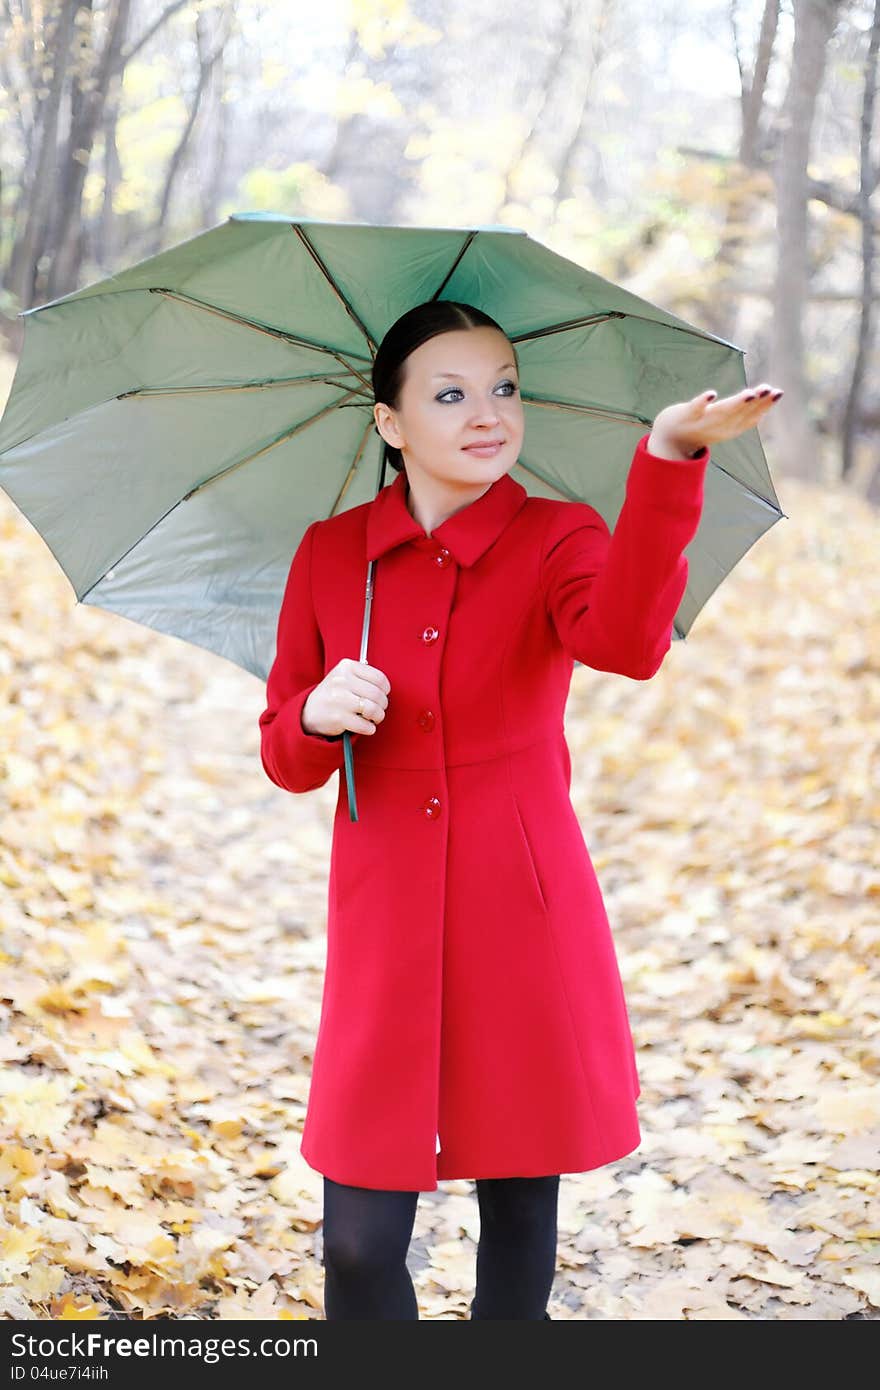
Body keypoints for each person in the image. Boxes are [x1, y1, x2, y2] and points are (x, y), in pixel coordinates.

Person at [258, 300, 783, 1319]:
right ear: (391, 424)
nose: (487, 412)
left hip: (520, 910)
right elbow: (285, 757)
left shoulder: (555, 535)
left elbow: (629, 641)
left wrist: (669, 455)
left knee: (516, 1237)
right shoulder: (332, 556)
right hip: (382, 924)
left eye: (502, 386)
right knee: (359, 1248)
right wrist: (316, 715)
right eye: (448, 394)